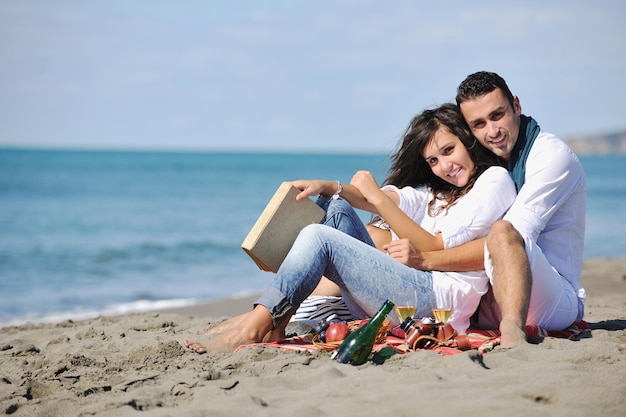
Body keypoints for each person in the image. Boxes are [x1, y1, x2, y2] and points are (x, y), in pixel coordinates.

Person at [184, 103, 517, 353]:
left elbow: (435, 247)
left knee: (319, 238)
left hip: (437, 302)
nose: (445, 165)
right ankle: (275, 317)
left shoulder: (493, 181)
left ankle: (259, 325)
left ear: (467, 141)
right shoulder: (435, 191)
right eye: (433, 160)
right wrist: (329, 185)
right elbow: (377, 200)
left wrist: (377, 198)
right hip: (408, 287)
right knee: (337, 208)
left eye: (449, 150)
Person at [412, 72, 586, 348]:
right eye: (479, 124)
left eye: (497, 115)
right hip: (491, 294)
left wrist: (426, 258)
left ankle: (512, 332)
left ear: (516, 106)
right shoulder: (487, 161)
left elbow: (509, 238)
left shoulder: (551, 157)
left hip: (552, 299)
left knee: (504, 231)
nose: (492, 131)